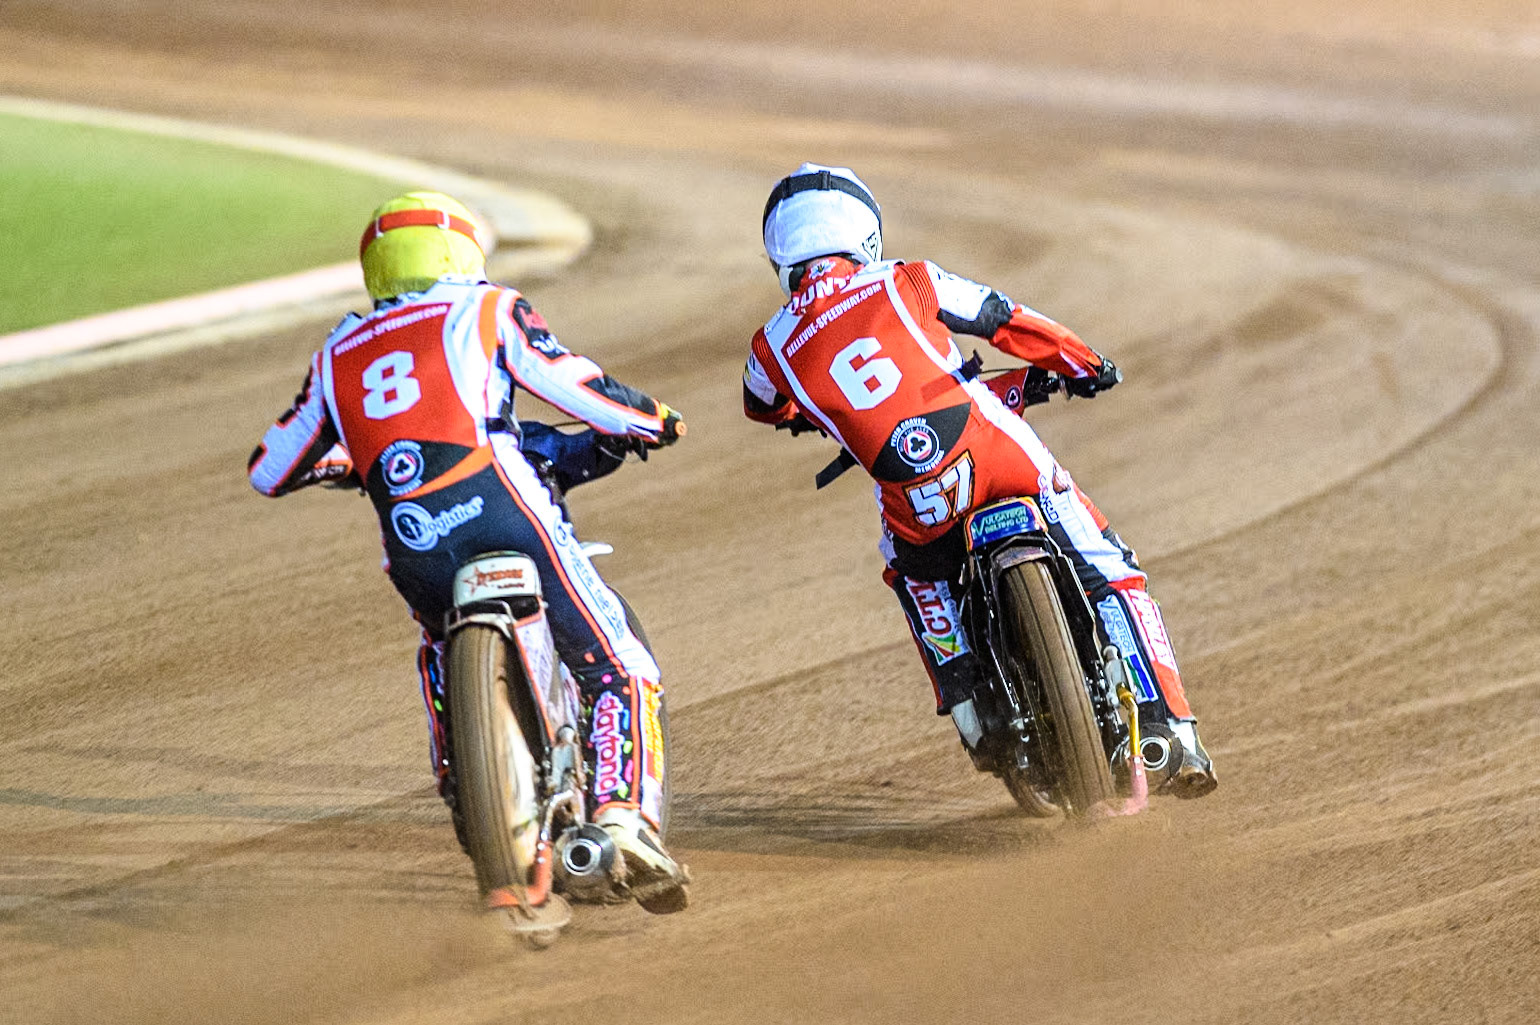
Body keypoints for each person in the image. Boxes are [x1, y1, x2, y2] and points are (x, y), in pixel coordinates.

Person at [249, 191, 691, 911]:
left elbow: (272, 468)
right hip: (505, 507)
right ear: (461, 250)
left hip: (413, 542)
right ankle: (626, 820)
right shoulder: (487, 308)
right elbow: (575, 389)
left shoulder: (338, 349)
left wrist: (355, 464)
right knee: (619, 663)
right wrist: (653, 418)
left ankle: (465, 779)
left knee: (436, 642)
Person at [742, 163, 1216, 798]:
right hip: (998, 455)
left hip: (918, 504)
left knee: (912, 575)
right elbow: (1004, 319)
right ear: (866, 234)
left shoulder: (770, 344)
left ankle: (968, 706)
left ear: (781, 257)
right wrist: (1085, 363)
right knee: (1113, 569)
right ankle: (1174, 728)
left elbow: (763, 405)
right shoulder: (907, 279)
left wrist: (808, 414)